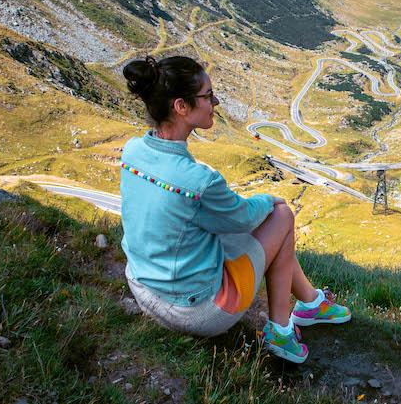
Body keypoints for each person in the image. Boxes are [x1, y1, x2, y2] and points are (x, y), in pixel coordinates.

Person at [119, 55, 350, 363]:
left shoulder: (133, 150)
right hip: (195, 311)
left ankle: (310, 301)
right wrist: (270, 199)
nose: (214, 101)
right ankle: (281, 332)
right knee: (280, 217)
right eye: (206, 96)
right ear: (181, 107)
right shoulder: (198, 180)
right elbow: (244, 218)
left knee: (269, 231)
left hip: (143, 288)